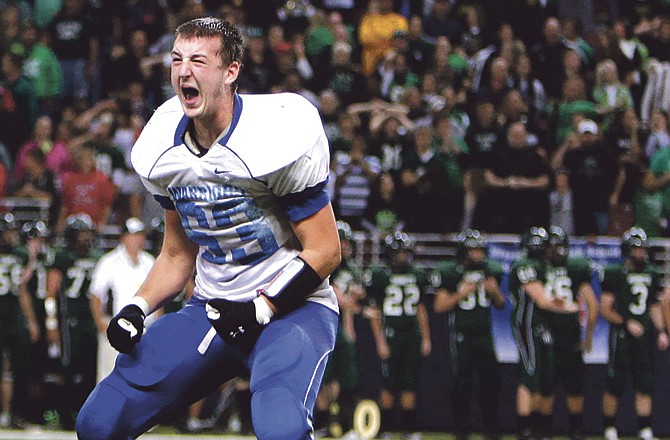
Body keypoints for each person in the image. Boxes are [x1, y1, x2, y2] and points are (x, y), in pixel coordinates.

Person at [76, 17, 340, 440]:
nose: (184, 70)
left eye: (199, 60)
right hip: (212, 308)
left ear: (231, 71)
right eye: (177, 59)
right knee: (99, 422)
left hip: (292, 309)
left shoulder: (275, 135)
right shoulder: (163, 148)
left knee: (282, 431)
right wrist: (136, 307)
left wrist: (262, 308)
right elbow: (178, 255)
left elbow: (326, 251)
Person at [432, 229, 505, 440]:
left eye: (480, 250)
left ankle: (491, 430)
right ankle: (461, 430)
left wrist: (494, 293)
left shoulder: (491, 271)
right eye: (474, 250)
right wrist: (460, 294)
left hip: (485, 335)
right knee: (462, 385)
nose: (478, 254)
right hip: (461, 336)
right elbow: (439, 306)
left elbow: (500, 305)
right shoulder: (452, 272)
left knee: (491, 384)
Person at [508, 226, 580, 440]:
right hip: (527, 324)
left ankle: (537, 427)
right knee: (530, 376)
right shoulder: (525, 266)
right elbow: (540, 299)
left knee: (542, 378)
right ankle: (525, 429)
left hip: (541, 326)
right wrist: (567, 307)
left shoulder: (543, 266)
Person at [600, 227, 669, 440]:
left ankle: (645, 429)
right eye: (636, 250)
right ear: (627, 250)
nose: (640, 254)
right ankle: (609, 428)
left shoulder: (652, 273)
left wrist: (661, 331)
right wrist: (626, 322)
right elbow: (605, 309)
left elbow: (654, 306)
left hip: (644, 337)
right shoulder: (615, 273)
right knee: (615, 383)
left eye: (643, 250)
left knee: (644, 384)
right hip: (621, 336)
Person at [365, 231, 432, 440]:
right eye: (399, 252)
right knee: (389, 383)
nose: (403, 256)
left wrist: (426, 337)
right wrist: (380, 341)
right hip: (391, 333)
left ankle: (408, 428)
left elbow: (421, 308)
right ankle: (385, 428)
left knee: (410, 382)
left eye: (405, 252)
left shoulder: (417, 274)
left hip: (411, 334)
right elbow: (375, 311)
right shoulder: (380, 274)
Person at [536, 226, 598, 440]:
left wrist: (587, 336)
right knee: (559, 387)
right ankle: (573, 431)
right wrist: (587, 337)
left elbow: (592, 307)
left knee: (562, 387)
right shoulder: (541, 268)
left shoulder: (543, 269)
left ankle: (554, 431)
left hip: (554, 334)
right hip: (559, 334)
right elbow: (593, 307)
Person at [44, 213, 102, 429]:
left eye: (87, 233)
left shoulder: (97, 256)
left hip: (92, 319)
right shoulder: (62, 256)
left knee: (90, 369)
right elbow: (51, 292)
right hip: (70, 319)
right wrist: (51, 324)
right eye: (81, 233)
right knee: (68, 368)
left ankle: (85, 414)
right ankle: (65, 414)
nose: (85, 238)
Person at [88, 217, 156, 384]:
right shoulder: (108, 262)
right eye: (132, 235)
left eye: (139, 235)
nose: (135, 239)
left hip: (145, 331)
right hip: (117, 328)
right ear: (123, 237)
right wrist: (102, 325)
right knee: (110, 378)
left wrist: (157, 326)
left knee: (143, 378)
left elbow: (157, 295)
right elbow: (96, 296)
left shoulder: (150, 261)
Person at [0, 213, 38, 428]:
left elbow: (22, 288)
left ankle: (12, 413)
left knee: (15, 368)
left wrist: (31, 321)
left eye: (12, 231)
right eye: (7, 231)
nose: (10, 236)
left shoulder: (20, 254)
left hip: (13, 316)